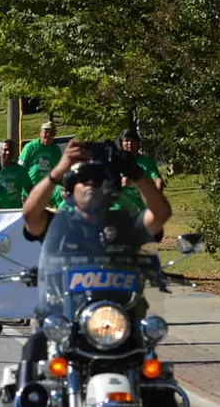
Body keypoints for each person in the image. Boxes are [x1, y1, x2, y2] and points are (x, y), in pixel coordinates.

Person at [17, 140, 172, 397]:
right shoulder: (59, 224)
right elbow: (30, 215)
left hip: (122, 318)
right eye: (84, 179)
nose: (91, 184)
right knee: (35, 346)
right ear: (71, 188)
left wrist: (137, 174)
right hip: (67, 317)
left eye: (98, 180)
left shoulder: (126, 223)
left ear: (109, 189)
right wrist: (59, 170)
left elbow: (160, 215)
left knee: (158, 383)